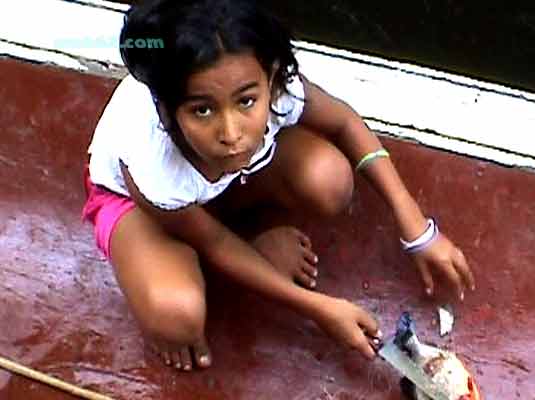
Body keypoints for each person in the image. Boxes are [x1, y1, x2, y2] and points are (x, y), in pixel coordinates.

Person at [81, 0, 475, 372]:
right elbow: (212, 242)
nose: (232, 133)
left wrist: (416, 228)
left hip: (223, 184)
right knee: (177, 316)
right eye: (202, 110)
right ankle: (209, 253)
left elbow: (345, 124)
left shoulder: (276, 88)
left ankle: (244, 238)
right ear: (166, 109)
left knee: (330, 180)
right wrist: (318, 308)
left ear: (269, 79)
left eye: (247, 102)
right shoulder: (151, 162)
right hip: (148, 208)